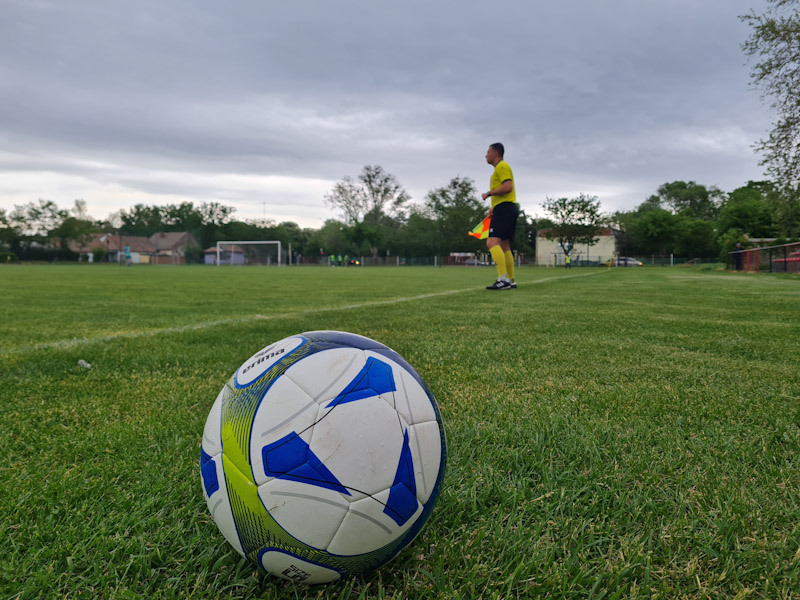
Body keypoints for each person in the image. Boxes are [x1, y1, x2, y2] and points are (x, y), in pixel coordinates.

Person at [481, 142, 519, 290]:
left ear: (495, 153)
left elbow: (508, 187)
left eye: (488, 151)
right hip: (507, 208)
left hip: (505, 209)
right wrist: (494, 206)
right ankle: (510, 280)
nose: (486, 155)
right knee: (504, 245)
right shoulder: (502, 168)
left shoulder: (502, 167)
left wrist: (489, 193)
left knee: (491, 243)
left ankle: (502, 279)